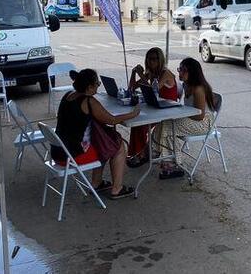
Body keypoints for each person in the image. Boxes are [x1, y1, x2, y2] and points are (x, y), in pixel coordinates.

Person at [51, 68, 140, 199]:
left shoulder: (68, 95)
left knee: (100, 141)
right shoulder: (88, 101)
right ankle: (117, 189)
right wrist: (133, 113)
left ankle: (96, 183)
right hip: (73, 156)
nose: (98, 86)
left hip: (58, 151)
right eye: (97, 84)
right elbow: (112, 120)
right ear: (89, 87)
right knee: (117, 146)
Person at [158, 57, 214, 179]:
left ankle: (173, 163)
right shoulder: (185, 85)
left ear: (192, 72)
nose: (180, 73)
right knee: (166, 123)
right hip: (192, 119)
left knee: (169, 125)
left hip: (203, 123)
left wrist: (181, 113)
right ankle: (167, 158)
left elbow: (200, 115)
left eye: (183, 70)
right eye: (179, 69)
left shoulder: (199, 89)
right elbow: (174, 95)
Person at [126, 47, 179, 167]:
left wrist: (141, 74)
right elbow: (132, 87)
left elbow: (153, 90)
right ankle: (137, 153)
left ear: (160, 60)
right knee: (136, 122)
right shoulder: (151, 73)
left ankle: (141, 154)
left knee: (140, 124)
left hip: (168, 110)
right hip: (156, 107)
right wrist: (134, 73)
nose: (151, 62)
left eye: (154, 59)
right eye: (149, 59)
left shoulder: (166, 73)